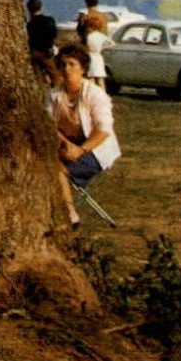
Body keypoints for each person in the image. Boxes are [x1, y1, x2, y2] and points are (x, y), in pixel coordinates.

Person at [45, 43, 121, 227]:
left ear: (83, 69)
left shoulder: (95, 94)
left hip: (94, 149)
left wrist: (80, 150)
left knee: (55, 169)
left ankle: (70, 214)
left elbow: (104, 131)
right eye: (62, 64)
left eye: (72, 64)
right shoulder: (53, 95)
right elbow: (48, 125)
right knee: (42, 163)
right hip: (66, 145)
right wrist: (65, 144)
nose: (67, 69)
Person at [75, 0, 111, 88]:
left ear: (86, 3)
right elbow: (106, 33)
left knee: (90, 77)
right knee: (100, 78)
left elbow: (80, 32)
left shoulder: (84, 18)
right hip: (99, 49)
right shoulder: (103, 17)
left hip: (88, 48)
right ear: (97, 3)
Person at [26, 0, 58, 82]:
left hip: (35, 52)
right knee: (55, 76)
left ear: (29, 10)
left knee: (37, 77)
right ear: (41, 7)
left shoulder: (30, 24)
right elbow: (54, 35)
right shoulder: (49, 20)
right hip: (47, 51)